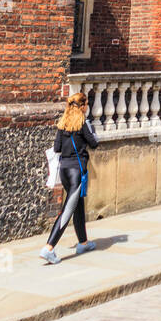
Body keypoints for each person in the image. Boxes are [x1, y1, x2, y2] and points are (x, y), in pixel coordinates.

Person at [40, 91, 99, 264]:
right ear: (82, 106)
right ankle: (49, 248)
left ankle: (83, 243)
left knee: (77, 205)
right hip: (76, 171)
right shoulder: (84, 123)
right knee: (68, 209)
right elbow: (94, 143)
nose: (87, 107)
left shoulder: (62, 124)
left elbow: (57, 148)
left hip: (64, 171)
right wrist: (91, 133)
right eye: (86, 104)